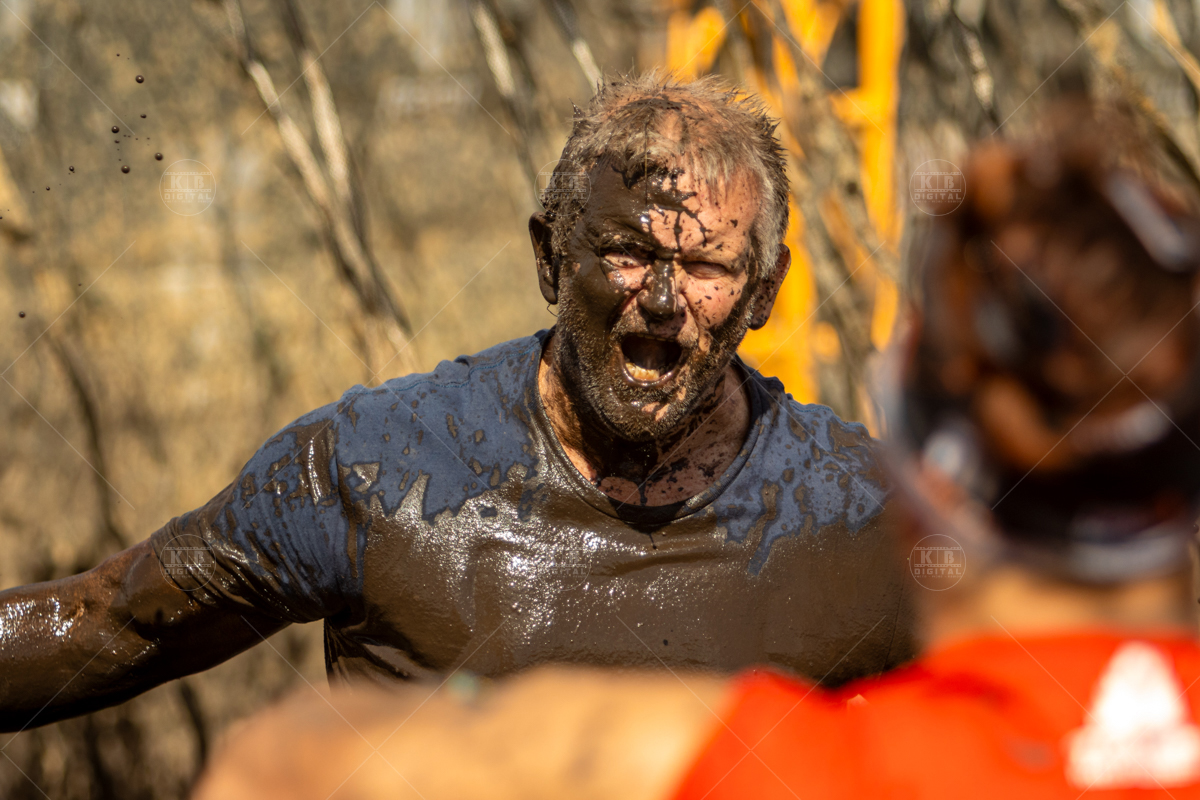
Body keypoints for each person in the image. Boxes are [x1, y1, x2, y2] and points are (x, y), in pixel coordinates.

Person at [193, 117, 1200, 800]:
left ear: (923, 467)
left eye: (711, 264)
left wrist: (459, 702)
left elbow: (270, 763)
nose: (666, 299)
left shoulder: (812, 766)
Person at [0, 73, 916, 732]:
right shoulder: (382, 469)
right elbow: (112, 617)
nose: (666, 303)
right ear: (550, 256)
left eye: (709, 264)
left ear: (762, 294)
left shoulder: (864, 520)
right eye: (628, 252)